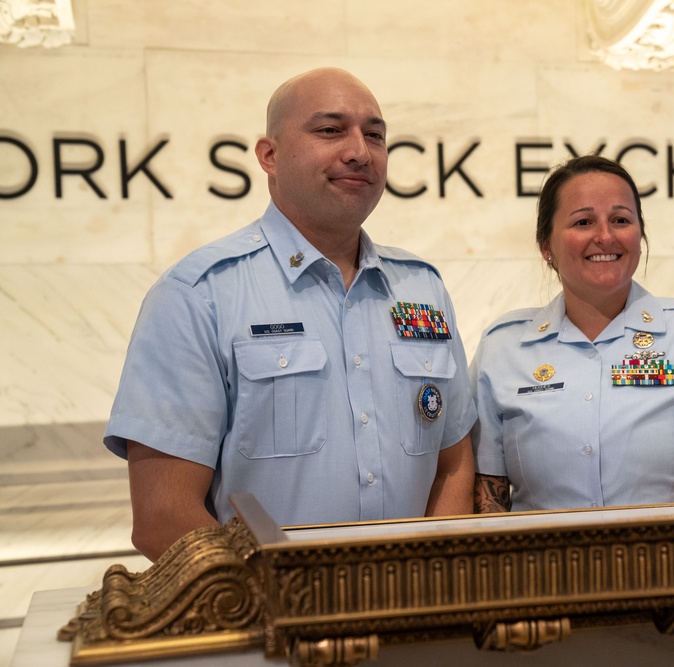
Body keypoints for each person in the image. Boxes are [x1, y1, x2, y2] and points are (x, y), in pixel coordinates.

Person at [104, 67, 476, 560]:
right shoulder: (200, 295)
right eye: (330, 130)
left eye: (375, 135)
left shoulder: (422, 289)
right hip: (272, 625)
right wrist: (295, 607)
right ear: (269, 155)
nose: (359, 152)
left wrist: (429, 580)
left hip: (413, 616)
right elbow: (164, 517)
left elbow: (453, 465)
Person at [471, 155, 674, 513]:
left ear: (639, 234)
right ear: (546, 247)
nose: (605, 236)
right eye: (584, 222)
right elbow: (486, 503)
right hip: (544, 568)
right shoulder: (502, 347)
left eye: (621, 220)